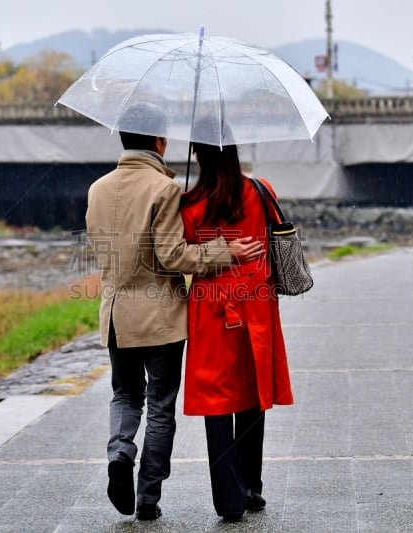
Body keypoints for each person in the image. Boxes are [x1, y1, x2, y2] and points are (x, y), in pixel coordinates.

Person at [84, 103, 264, 521]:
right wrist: (224, 251)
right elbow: (172, 256)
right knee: (160, 405)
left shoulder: (97, 189)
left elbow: (105, 252)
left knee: (125, 395)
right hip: (161, 319)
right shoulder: (165, 189)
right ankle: (147, 498)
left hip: (115, 316)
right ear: (160, 141)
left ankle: (118, 454)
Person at [180, 132, 294, 522]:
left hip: (212, 308)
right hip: (257, 302)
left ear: (199, 156)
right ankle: (251, 485)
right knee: (252, 390)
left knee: (217, 398)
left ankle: (229, 499)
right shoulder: (261, 190)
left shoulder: (191, 204)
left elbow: (185, 254)